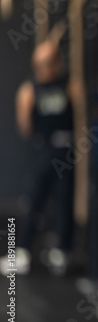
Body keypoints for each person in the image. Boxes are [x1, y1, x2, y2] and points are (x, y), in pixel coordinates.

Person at [0, 40, 75, 276]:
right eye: (40, 63)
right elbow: (25, 126)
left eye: (49, 62)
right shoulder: (29, 89)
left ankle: (62, 252)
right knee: (33, 199)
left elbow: (80, 112)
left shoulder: (69, 84)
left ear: (58, 62)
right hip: (42, 150)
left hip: (66, 149)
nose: (44, 67)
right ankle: (21, 252)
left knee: (64, 202)